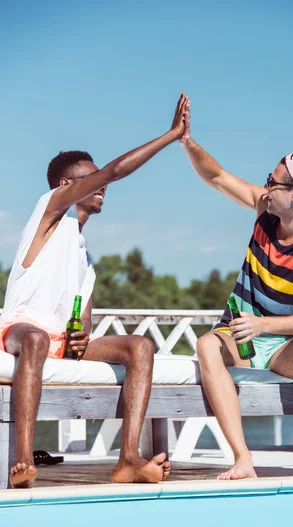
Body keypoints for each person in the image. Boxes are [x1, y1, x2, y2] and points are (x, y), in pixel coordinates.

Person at [0, 93, 188, 488]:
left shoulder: (85, 262)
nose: (104, 183)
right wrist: (171, 135)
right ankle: (21, 461)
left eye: (102, 178)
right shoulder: (50, 210)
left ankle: (128, 460)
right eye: (93, 178)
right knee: (34, 337)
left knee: (141, 347)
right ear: (67, 185)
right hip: (18, 332)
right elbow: (117, 170)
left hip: (55, 341)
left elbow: (80, 332)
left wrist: (81, 336)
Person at [179, 96, 293, 480]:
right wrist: (187, 142)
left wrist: (263, 326)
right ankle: (242, 458)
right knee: (206, 344)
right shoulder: (264, 210)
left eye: (274, 182)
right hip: (240, 337)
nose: (266, 186)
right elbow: (217, 176)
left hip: (284, 347)